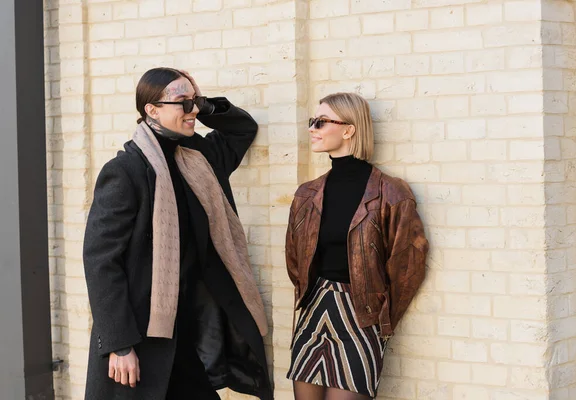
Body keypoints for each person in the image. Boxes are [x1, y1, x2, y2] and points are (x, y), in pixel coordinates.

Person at [83, 67, 273, 400]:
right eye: (182, 103)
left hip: (186, 332)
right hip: (140, 336)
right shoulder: (126, 171)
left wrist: (204, 103)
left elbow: (242, 129)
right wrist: (119, 345)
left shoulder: (199, 159)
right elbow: (101, 261)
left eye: (194, 101)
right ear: (151, 110)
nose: (193, 111)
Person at [285, 92, 429, 400]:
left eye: (321, 122)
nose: (313, 128)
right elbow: (294, 257)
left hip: (360, 315)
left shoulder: (390, 193)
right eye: (313, 121)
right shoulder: (307, 194)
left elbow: (408, 266)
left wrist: (382, 318)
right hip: (313, 311)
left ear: (349, 129)